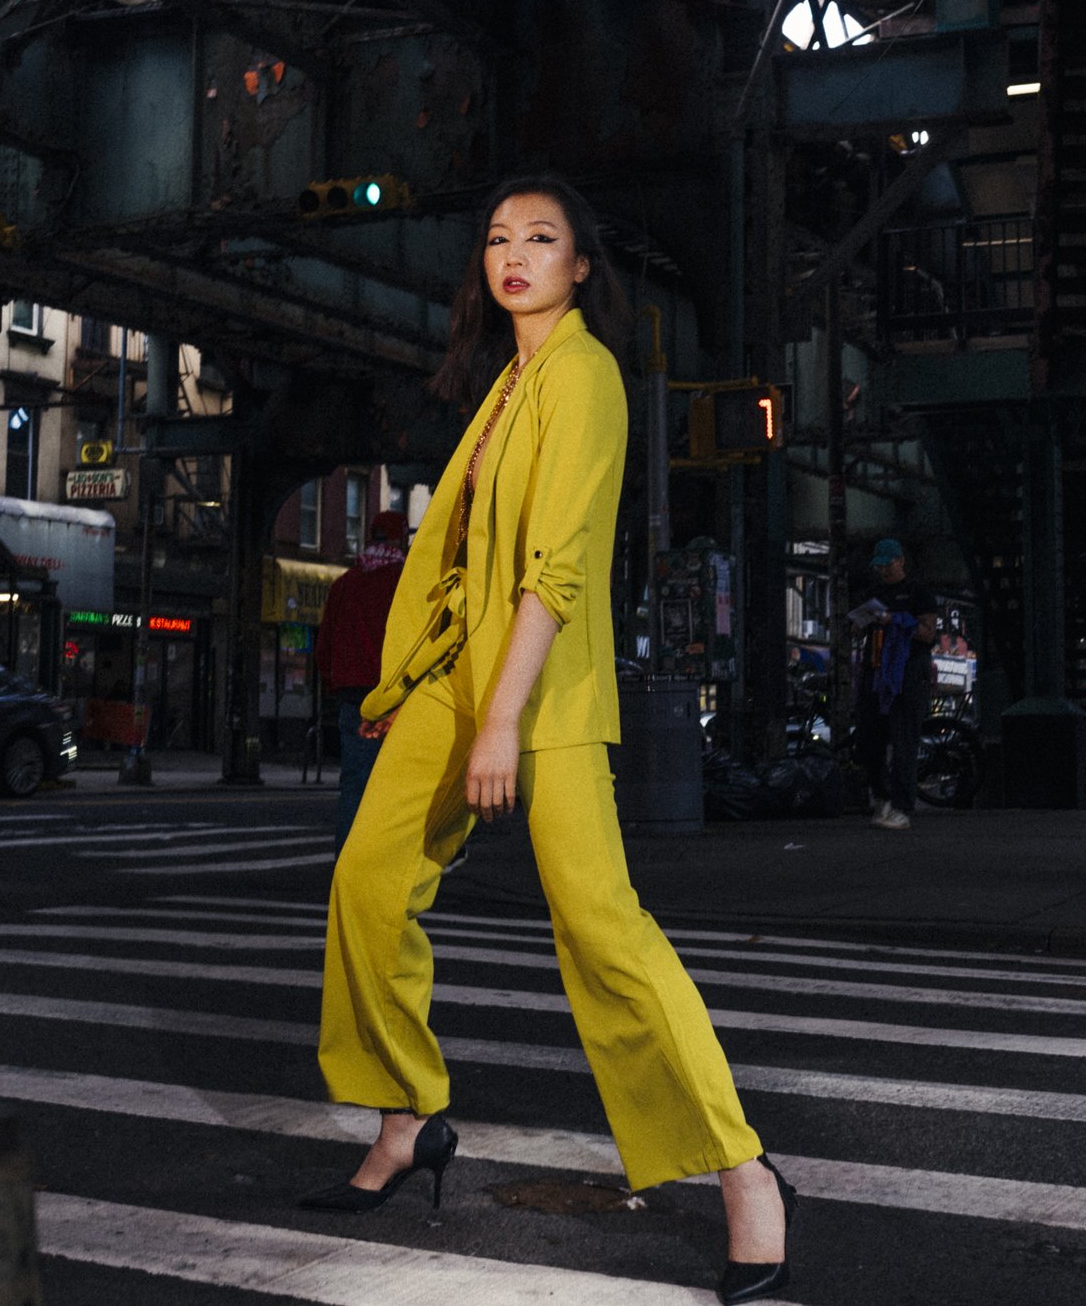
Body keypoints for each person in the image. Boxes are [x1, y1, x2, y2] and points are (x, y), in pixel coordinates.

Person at [307, 175, 794, 1305]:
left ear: (581, 268)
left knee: (600, 930)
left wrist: (502, 721)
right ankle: (407, 1118)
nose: (513, 255)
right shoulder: (504, 385)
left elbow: (555, 572)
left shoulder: (585, 376)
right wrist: (409, 684)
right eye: (496, 239)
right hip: (451, 682)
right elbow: (462, 564)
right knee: (365, 885)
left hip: (543, 694)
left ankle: (741, 1167)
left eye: (541, 239)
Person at [317, 510, 411, 851]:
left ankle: (348, 860)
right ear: (400, 539)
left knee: (355, 783)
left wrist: (333, 683)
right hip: (395, 699)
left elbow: (324, 645)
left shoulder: (345, 584)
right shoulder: (406, 581)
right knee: (398, 785)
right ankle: (385, 859)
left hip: (353, 698)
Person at [851, 538, 939, 830]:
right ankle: (882, 796)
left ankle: (901, 806)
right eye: (880, 567)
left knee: (904, 739)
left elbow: (928, 633)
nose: (883, 572)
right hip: (876, 670)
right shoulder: (874, 593)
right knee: (868, 737)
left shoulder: (918, 592)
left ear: (900, 561)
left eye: (887, 565)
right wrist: (862, 620)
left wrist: (896, 621)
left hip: (908, 670)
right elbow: (854, 629)